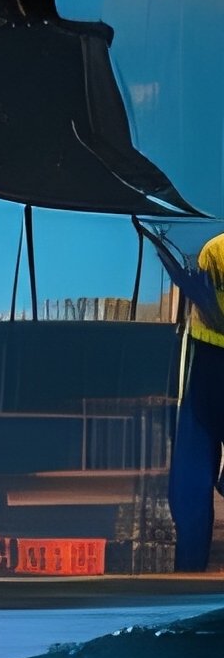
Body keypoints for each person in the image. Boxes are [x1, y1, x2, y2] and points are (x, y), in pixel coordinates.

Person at [143, 226, 224, 572]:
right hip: (208, 366)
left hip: (207, 366)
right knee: (190, 489)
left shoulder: (214, 250)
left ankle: (189, 575)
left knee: (190, 488)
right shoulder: (215, 251)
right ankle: (189, 576)